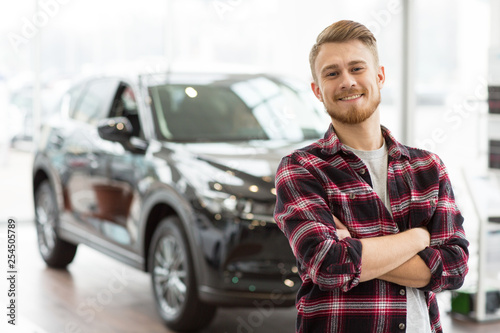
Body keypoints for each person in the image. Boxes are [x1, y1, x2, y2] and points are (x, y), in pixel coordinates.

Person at [274, 20, 469, 333]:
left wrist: (356, 247)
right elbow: (328, 265)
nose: (347, 81)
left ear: (379, 76)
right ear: (317, 90)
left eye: (356, 68)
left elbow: (454, 267)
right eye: (332, 73)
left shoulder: (427, 167)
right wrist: (418, 238)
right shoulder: (302, 168)